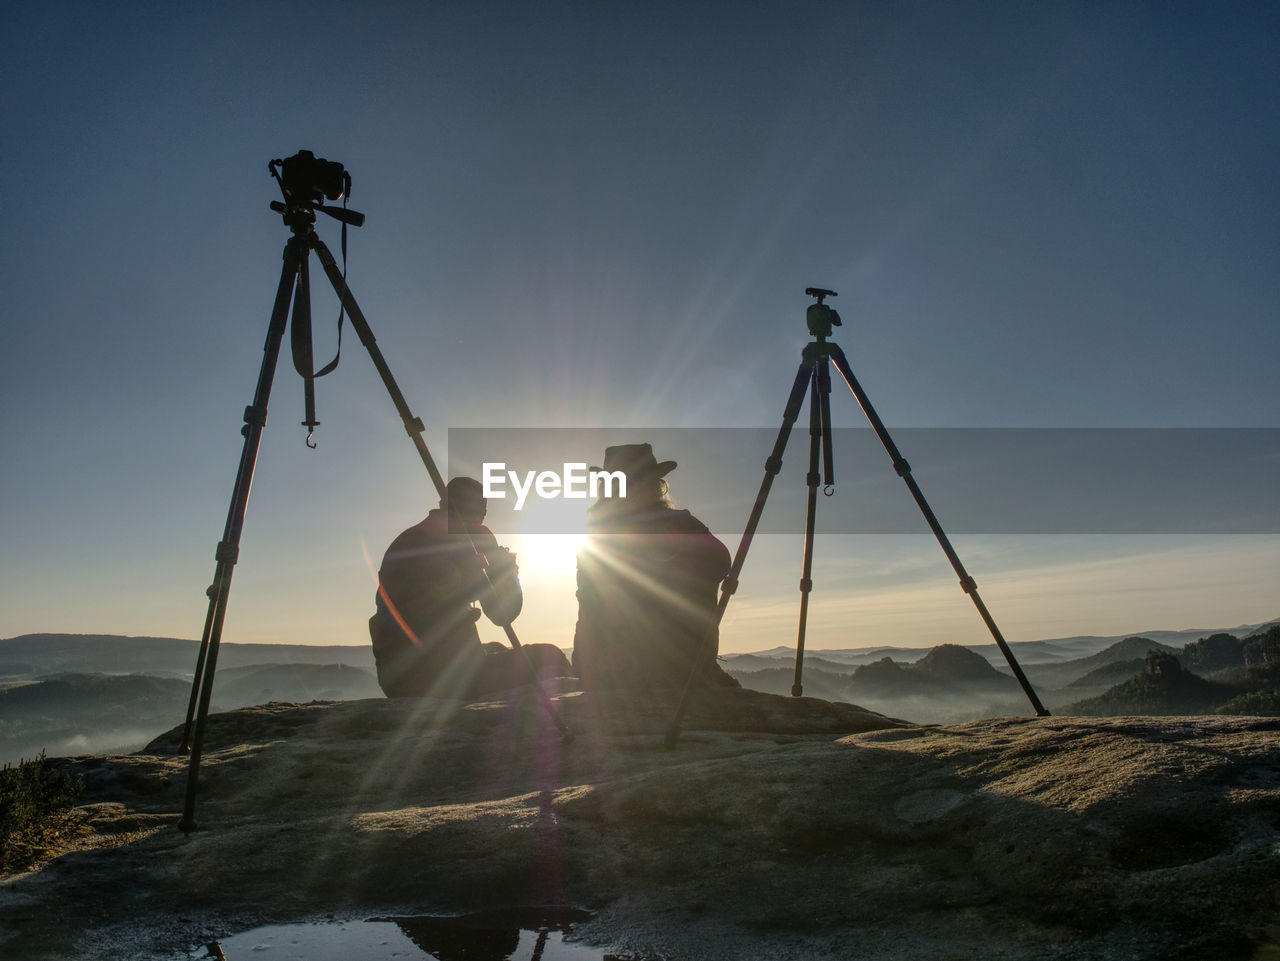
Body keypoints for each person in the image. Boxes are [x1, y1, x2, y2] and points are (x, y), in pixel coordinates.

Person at [369, 476, 568, 698]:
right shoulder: (419, 544)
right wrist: (491, 572)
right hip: (430, 677)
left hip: (438, 667)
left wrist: (505, 575)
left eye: (483, 510)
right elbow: (440, 615)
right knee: (550, 663)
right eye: (477, 509)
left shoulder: (457, 540)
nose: (482, 517)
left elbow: (502, 614)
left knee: (534, 653)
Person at [572, 444, 738, 690]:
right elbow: (721, 562)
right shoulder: (681, 526)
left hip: (609, 670)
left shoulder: (596, 540)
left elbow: (589, 611)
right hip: (679, 667)